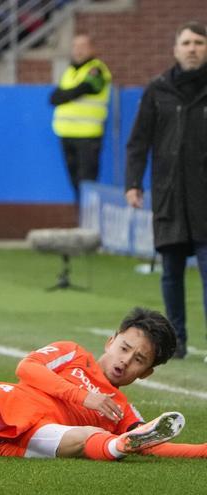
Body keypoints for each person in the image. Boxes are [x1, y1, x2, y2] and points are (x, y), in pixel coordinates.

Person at [0, 307, 207, 462]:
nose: (125, 360)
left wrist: (202, 451)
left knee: (93, 437)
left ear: (146, 373)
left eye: (139, 359)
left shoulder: (121, 408)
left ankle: (119, 446)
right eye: (124, 348)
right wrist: (84, 397)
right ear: (111, 341)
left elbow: (154, 443)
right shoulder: (71, 352)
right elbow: (27, 368)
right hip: (15, 403)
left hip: (46, 437)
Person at [126, 21, 207, 361]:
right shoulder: (157, 89)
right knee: (171, 274)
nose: (192, 48)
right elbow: (139, 141)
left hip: (204, 198)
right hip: (169, 196)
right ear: (175, 49)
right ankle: (178, 344)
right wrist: (133, 182)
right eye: (186, 42)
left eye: (199, 43)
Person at [49, 33, 112, 201]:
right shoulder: (69, 71)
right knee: (74, 182)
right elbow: (53, 98)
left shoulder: (96, 69)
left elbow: (86, 88)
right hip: (66, 134)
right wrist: (67, 95)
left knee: (87, 181)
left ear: (92, 48)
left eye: (83, 46)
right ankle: (80, 217)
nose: (78, 51)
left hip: (88, 135)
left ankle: (87, 220)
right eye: (75, 46)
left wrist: (66, 95)